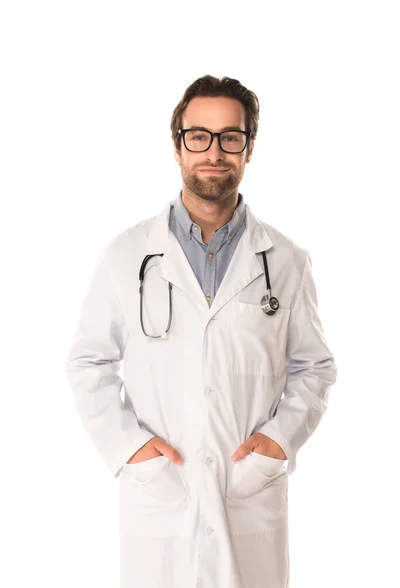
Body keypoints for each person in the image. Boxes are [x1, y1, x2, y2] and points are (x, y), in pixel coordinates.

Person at [65, 74, 337, 588]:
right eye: (199, 136)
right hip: (161, 494)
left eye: (230, 137)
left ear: (248, 148)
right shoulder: (126, 255)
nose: (214, 152)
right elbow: (89, 363)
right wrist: (129, 447)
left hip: (248, 492)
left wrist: (278, 442)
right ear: (178, 146)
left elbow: (314, 367)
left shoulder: (286, 260)